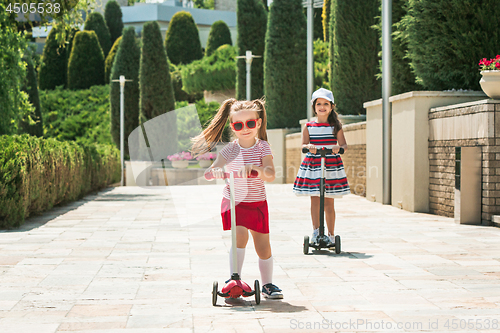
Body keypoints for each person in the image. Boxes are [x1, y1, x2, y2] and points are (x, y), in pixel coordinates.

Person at [191, 98, 283, 299]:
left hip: (257, 203)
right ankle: (235, 279)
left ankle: (268, 284)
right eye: (239, 125)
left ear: (258, 123)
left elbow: (271, 174)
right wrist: (214, 172)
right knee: (239, 236)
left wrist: (256, 169)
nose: (245, 129)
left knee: (263, 246)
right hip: (235, 202)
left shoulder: (262, 147)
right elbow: (212, 169)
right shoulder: (230, 149)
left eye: (250, 123)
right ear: (232, 127)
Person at [293, 88, 350, 244]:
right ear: (314, 106)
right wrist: (309, 146)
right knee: (315, 200)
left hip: (331, 166)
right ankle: (316, 232)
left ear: (331, 107)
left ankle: (331, 234)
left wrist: (339, 148)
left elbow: (344, 145)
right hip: (314, 166)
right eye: (319, 104)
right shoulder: (308, 126)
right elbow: (303, 145)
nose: (322, 107)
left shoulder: (335, 126)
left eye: (326, 103)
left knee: (329, 201)